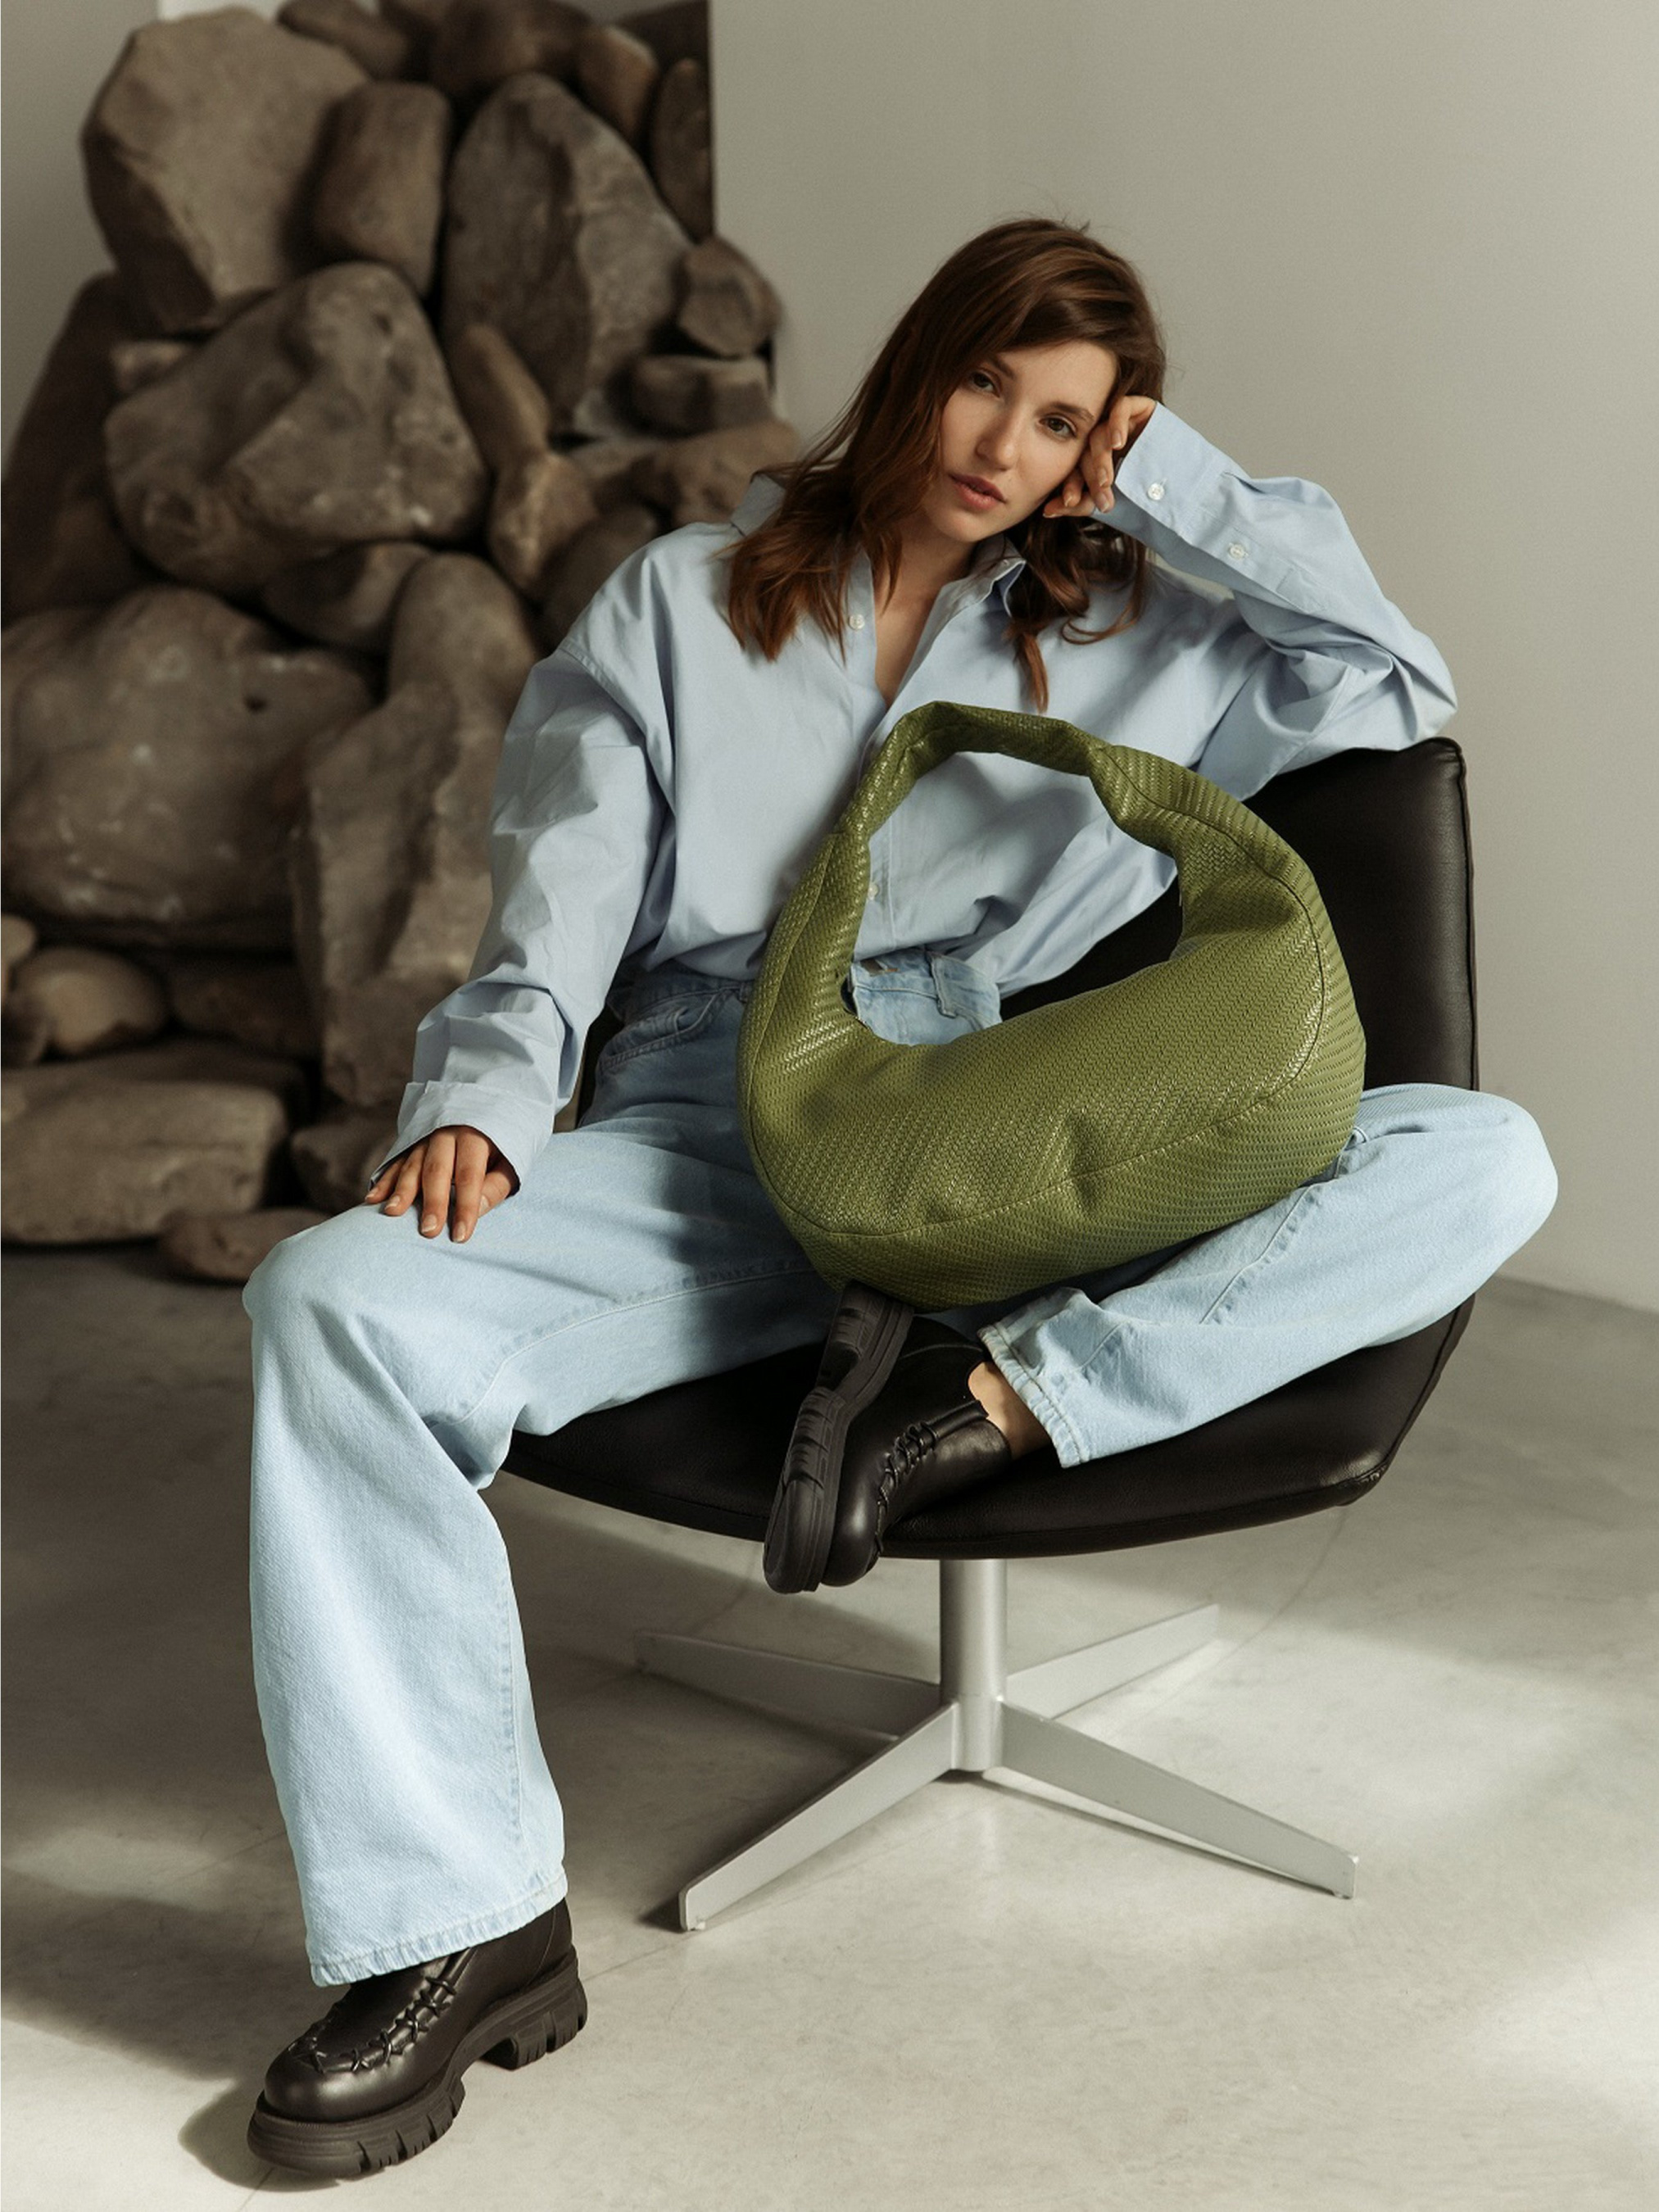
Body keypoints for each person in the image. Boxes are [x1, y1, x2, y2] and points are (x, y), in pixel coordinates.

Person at [239, 217, 1557, 2175]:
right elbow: (561, 890)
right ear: (915, 362)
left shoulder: (1155, 631)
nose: (1002, 449)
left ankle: (988, 1401)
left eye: (1063, 423)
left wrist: (1177, 486)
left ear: (1104, 447)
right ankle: (459, 1927)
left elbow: (1392, 680)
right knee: (327, 1306)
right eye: (983, 386)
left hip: (1000, 1140)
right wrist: (490, 1104)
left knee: (1480, 1154)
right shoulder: (680, 604)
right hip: (710, 1143)